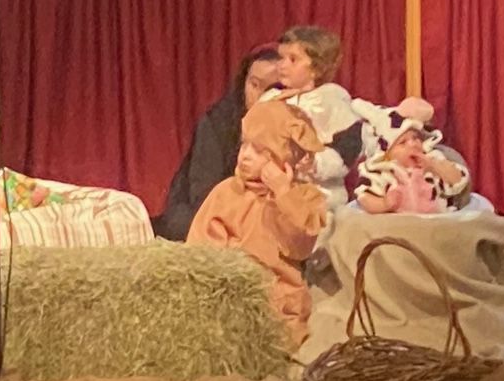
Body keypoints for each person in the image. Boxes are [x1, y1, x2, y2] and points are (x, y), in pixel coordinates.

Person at [186, 98, 330, 345]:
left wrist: (283, 193)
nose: (245, 156)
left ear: (288, 158)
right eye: (244, 145)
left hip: (277, 301)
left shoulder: (304, 197)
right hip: (226, 295)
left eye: (261, 151)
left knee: (281, 338)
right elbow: (200, 245)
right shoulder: (227, 192)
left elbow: (298, 246)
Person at [153, 43, 280, 241]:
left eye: (272, 89)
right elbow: (204, 192)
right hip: (212, 212)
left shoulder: (297, 125)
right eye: (254, 85)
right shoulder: (218, 122)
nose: (260, 96)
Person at [265, 25, 365, 209]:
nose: (282, 65)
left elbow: (347, 149)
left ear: (316, 69)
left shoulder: (330, 100)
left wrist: (315, 162)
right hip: (271, 192)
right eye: (281, 58)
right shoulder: (269, 99)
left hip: (318, 198)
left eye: (293, 59)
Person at [351, 97, 471, 214]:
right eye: (403, 142)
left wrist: (434, 166)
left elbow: (459, 181)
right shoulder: (381, 170)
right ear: (385, 154)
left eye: (415, 138)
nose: (413, 144)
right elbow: (364, 197)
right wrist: (384, 204)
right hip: (395, 224)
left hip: (434, 222)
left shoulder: (431, 162)